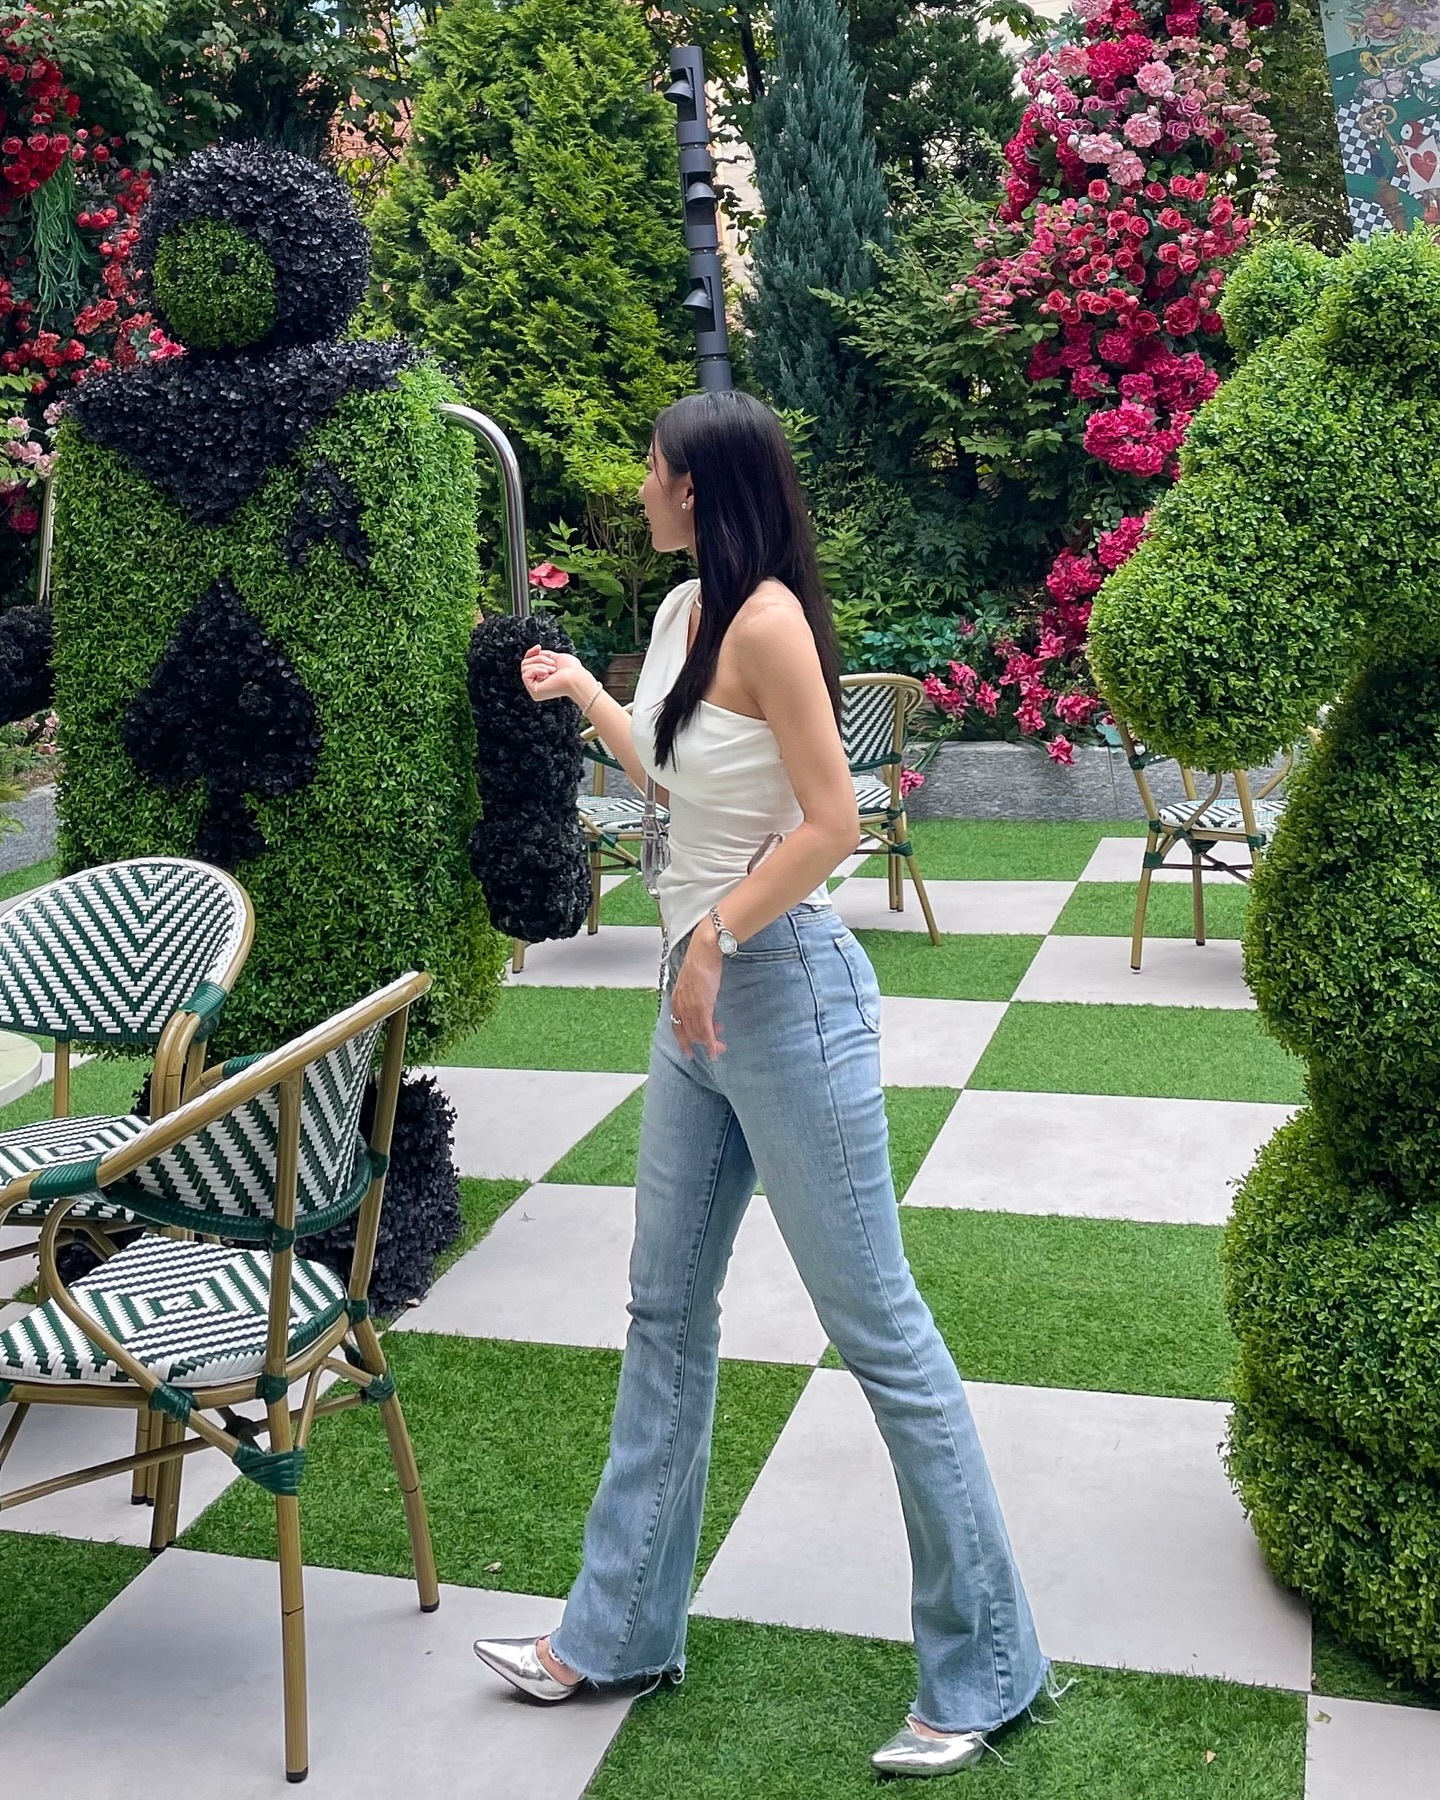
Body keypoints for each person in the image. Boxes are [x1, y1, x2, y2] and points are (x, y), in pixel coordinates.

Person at [473, 389, 1050, 1777]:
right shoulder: (687, 615)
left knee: (878, 1330)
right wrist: (586, 693)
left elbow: (835, 821)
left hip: (784, 990)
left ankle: (990, 1670)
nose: (640, 484)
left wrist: (716, 937)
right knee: (662, 1310)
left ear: (701, 486)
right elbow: (677, 785)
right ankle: (616, 1632)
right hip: (701, 1003)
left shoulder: (774, 623)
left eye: (654, 468)